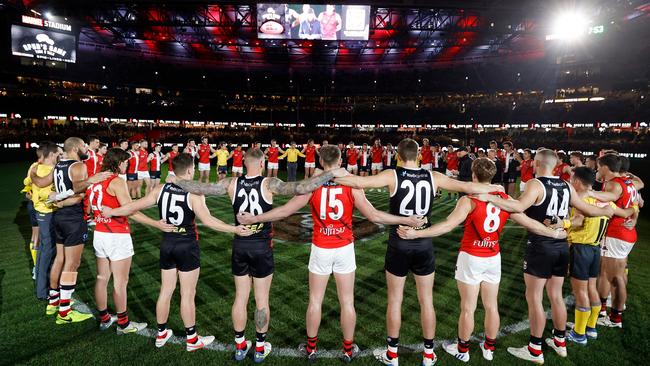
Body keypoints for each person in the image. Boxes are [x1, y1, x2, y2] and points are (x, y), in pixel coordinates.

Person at [237, 145, 425, 363]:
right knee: (347, 302)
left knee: (315, 300)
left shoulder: (312, 185)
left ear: (320, 160)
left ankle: (311, 348)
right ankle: (347, 349)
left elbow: (285, 211)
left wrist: (255, 218)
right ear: (340, 159)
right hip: (344, 248)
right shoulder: (350, 183)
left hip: (321, 247)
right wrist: (405, 220)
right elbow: (374, 215)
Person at [334, 138, 505, 366]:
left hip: (399, 241)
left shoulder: (391, 174)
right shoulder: (433, 176)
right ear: (419, 156)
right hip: (424, 242)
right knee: (427, 300)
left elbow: (357, 182)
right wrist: (492, 187)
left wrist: (330, 174)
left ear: (398, 156)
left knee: (395, 300)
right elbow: (466, 187)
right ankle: (428, 353)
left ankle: (392, 354)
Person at [174, 148, 348, 362]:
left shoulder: (230, 183)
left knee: (240, 297)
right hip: (261, 247)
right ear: (262, 162)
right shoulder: (269, 183)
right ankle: (259, 347)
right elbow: (302, 187)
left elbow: (203, 188)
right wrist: (331, 173)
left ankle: (240, 345)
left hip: (240, 244)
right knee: (261, 300)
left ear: (244, 162)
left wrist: (177, 180)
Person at [397, 157, 567, 362]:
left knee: (468, 307)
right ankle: (489, 348)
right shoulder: (503, 198)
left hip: (471, 256)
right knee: (491, 305)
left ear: (473, 175)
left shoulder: (469, 199)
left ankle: (463, 349)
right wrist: (555, 233)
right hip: (493, 257)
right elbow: (529, 222)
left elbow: (447, 225)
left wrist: (417, 234)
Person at [474, 149, 622, 364]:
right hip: (561, 245)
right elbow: (586, 209)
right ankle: (560, 342)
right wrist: (607, 211)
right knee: (556, 296)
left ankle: (535, 349)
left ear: (537, 163)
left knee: (534, 298)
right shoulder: (566, 185)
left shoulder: (536, 184)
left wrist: (489, 197)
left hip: (540, 245)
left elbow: (519, 206)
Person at [103, 153, 252, 351]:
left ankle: (161, 333)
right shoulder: (193, 193)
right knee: (187, 294)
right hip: (186, 245)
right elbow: (208, 221)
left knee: (166, 290)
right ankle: (192, 339)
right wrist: (234, 229)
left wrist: (112, 212)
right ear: (190, 170)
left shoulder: (161, 188)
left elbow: (133, 206)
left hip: (167, 244)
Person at [88, 148, 175, 334]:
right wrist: (155, 223)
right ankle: (124, 324)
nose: (127, 164)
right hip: (116, 235)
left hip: (100, 233)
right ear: (118, 162)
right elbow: (131, 210)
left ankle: (104, 318)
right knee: (120, 282)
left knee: (102, 278)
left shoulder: (97, 179)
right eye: (125, 162)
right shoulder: (117, 181)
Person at [32, 137, 111, 323]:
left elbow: (42, 183)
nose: (86, 149)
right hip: (74, 218)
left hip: (59, 218)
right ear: (76, 148)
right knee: (72, 264)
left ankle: (53, 302)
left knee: (60, 259)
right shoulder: (78, 166)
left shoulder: (58, 165)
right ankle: (64, 312)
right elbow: (77, 191)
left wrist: (34, 174)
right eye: (84, 146)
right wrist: (91, 180)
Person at [548, 167, 613, 345]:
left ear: (577, 181)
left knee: (580, 291)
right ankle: (590, 328)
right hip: (595, 248)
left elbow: (579, 220)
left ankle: (579, 333)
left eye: (571, 179)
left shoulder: (581, 198)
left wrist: (563, 223)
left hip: (581, 247)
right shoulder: (602, 198)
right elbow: (619, 210)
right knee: (591, 288)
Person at [589, 154, 640, 328]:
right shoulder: (628, 182)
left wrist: (587, 192)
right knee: (615, 274)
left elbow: (608, 199)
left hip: (616, 234)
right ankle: (609, 312)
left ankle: (611, 316)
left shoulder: (614, 184)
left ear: (605, 167)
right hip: (626, 234)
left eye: (599, 166)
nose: (597, 169)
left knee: (610, 276)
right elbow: (634, 204)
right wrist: (632, 216)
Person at [29, 142, 58, 300]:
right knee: (48, 252)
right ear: (52, 155)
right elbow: (46, 196)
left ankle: (41, 288)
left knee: (42, 251)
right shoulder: (49, 170)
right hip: (47, 214)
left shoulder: (34, 167)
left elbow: (28, 185)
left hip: (39, 212)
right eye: (58, 154)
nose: (59, 156)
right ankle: (44, 290)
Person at [22, 145, 44, 280]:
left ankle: (38, 267)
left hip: (35, 205)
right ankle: (38, 267)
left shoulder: (33, 166)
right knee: (39, 236)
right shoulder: (37, 167)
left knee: (37, 236)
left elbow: (26, 189)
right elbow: (27, 191)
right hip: (40, 207)